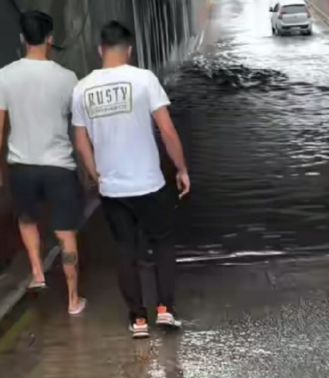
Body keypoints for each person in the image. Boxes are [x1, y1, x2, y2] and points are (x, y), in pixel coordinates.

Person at [72, 21, 190, 339]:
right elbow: (166, 130)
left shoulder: (82, 88)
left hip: (113, 189)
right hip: (149, 184)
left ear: (100, 50)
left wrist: (96, 173)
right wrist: (181, 168)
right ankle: (165, 310)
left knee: (126, 250)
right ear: (130, 50)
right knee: (163, 243)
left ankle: (137, 319)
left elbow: (81, 141)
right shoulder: (143, 79)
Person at [0, 10, 86, 315]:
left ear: (23, 38)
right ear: (50, 39)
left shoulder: (5, 75)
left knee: (27, 220)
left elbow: (0, 126)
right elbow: (79, 128)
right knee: (65, 233)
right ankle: (73, 299)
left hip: (22, 164)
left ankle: (37, 274)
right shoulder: (67, 78)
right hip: (59, 166)